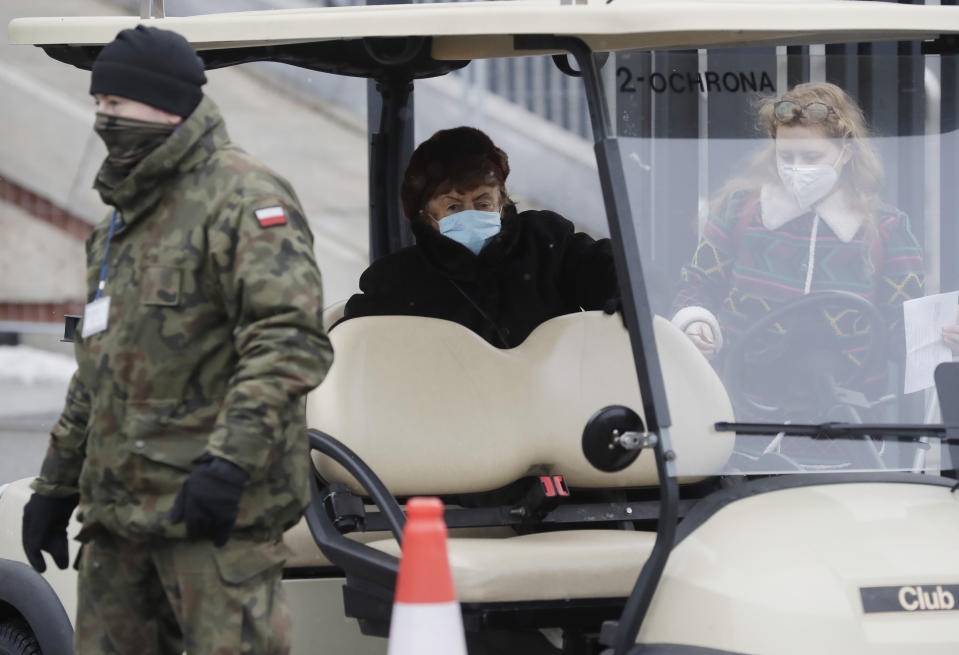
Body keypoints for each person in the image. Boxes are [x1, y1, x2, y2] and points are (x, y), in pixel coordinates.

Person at [20, 26, 333, 655]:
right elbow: (99, 367)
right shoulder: (118, 221)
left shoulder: (244, 200)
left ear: (167, 106)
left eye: (116, 105)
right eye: (98, 104)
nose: (102, 119)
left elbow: (288, 342)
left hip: (213, 520)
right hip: (117, 524)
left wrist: (227, 466)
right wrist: (54, 487)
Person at [672, 82, 924, 417]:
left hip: (846, 419)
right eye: (786, 156)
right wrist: (696, 323)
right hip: (742, 408)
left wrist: (941, 336)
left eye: (812, 157)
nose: (797, 168)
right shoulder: (739, 210)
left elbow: (901, 326)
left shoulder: (887, 228)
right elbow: (697, 285)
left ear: (846, 153)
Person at [340, 126, 619, 347]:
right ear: (426, 216)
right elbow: (353, 344)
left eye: (483, 202)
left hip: (553, 409)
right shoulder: (399, 279)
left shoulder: (547, 243)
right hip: (449, 415)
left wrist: (625, 291)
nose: (470, 214)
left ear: (502, 200)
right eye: (453, 206)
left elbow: (608, 269)